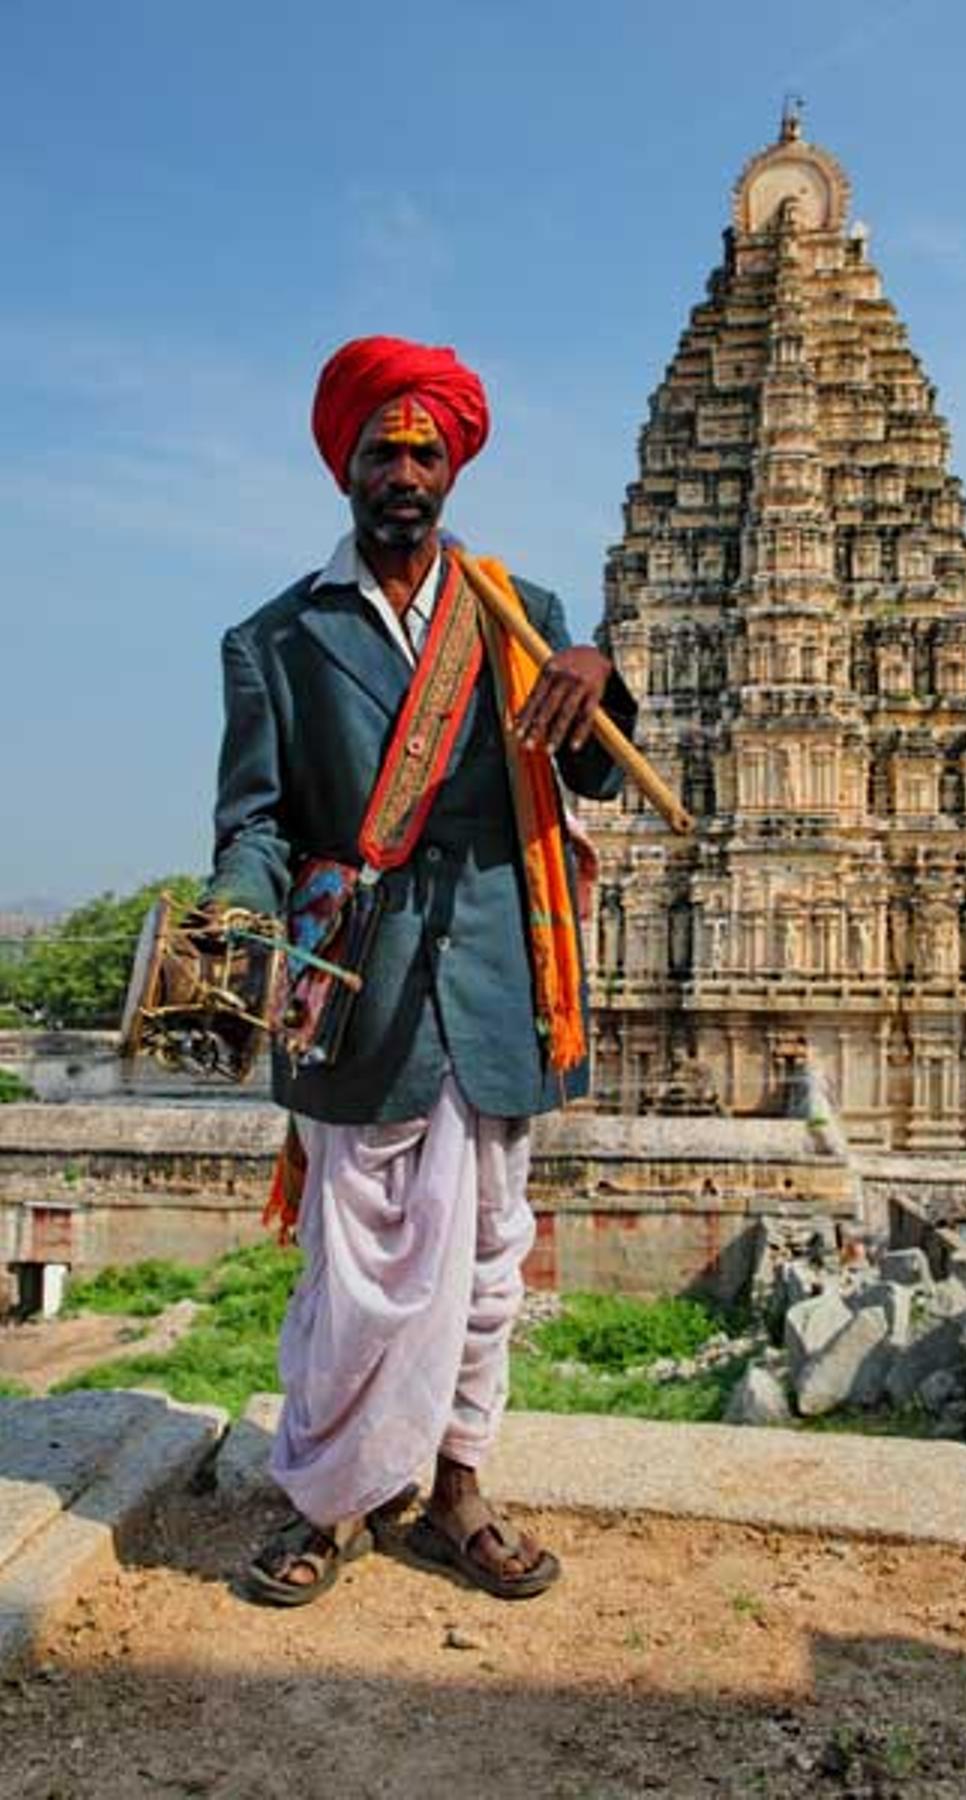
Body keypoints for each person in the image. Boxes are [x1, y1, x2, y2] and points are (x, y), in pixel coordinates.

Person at [203, 335, 634, 1604]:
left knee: (492, 1255)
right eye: (383, 448)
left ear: (453, 470)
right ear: (346, 465)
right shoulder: (277, 640)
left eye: (425, 450)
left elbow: (598, 769)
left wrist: (600, 676)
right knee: (355, 1267)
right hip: (358, 987)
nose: (405, 469)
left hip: (502, 975)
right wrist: (238, 912)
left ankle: (457, 1490)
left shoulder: (523, 617)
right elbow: (259, 822)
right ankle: (331, 1503)